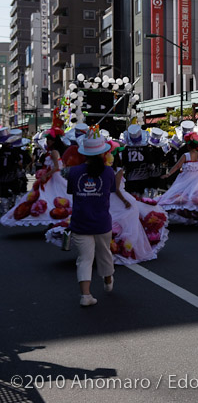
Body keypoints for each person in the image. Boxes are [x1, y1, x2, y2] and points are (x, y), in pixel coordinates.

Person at [66, 130, 116, 307]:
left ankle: (85, 295)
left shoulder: (73, 172)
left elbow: (72, 192)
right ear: (103, 152)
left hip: (80, 221)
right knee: (104, 254)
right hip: (102, 221)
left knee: (84, 259)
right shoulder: (109, 172)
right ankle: (108, 280)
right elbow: (110, 192)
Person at [1, 112, 73, 228]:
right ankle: (52, 218)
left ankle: (58, 218)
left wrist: (46, 174)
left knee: (57, 196)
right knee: (45, 197)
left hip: (54, 178)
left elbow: (57, 167)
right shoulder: (50, 152)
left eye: (49, 140)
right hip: (50, 178)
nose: (47, 142)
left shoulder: (54, 152)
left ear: (54, 141)